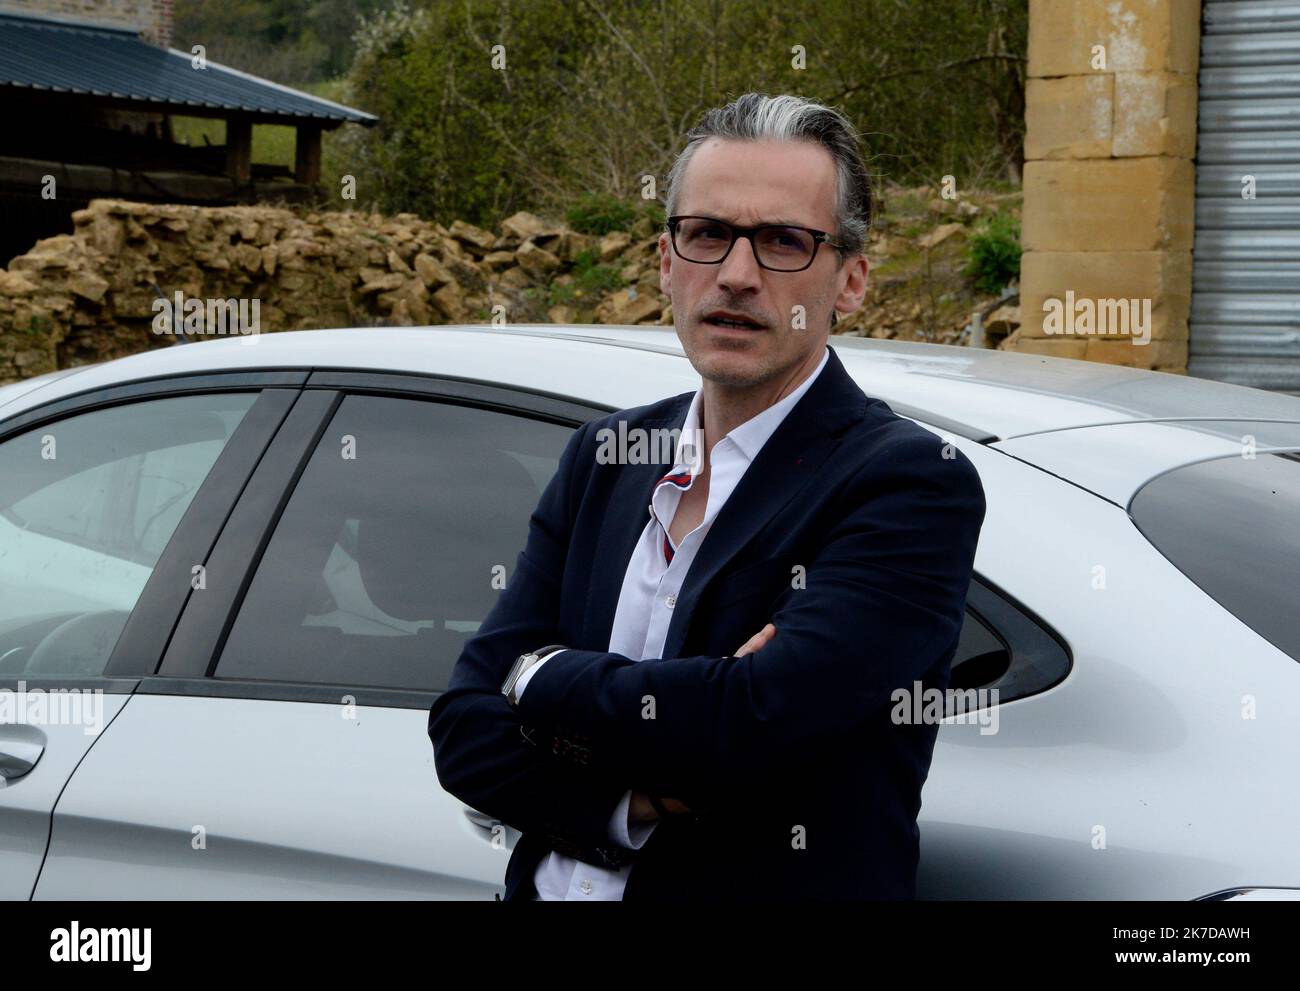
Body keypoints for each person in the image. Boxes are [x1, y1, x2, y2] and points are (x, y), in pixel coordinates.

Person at [428, 91, 986, 901]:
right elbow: (463, 732)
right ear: (666, 261)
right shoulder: (605, 457)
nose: (736, 275)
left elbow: (754, 722)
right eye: (708, 234)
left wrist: (539, 679)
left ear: (853, 280)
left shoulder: (907, 481)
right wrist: (631, 796)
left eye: (785, 242)